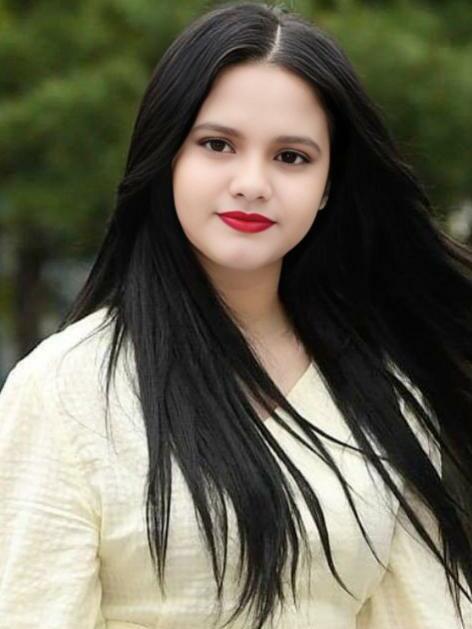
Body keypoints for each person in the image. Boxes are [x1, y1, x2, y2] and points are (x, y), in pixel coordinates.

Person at [0, 2, 471, 627]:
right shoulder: (64, 390)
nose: (252, 182)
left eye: (291, 157)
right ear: (168, 156)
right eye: (217, 145)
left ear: (328, 186)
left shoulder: (384, 396)